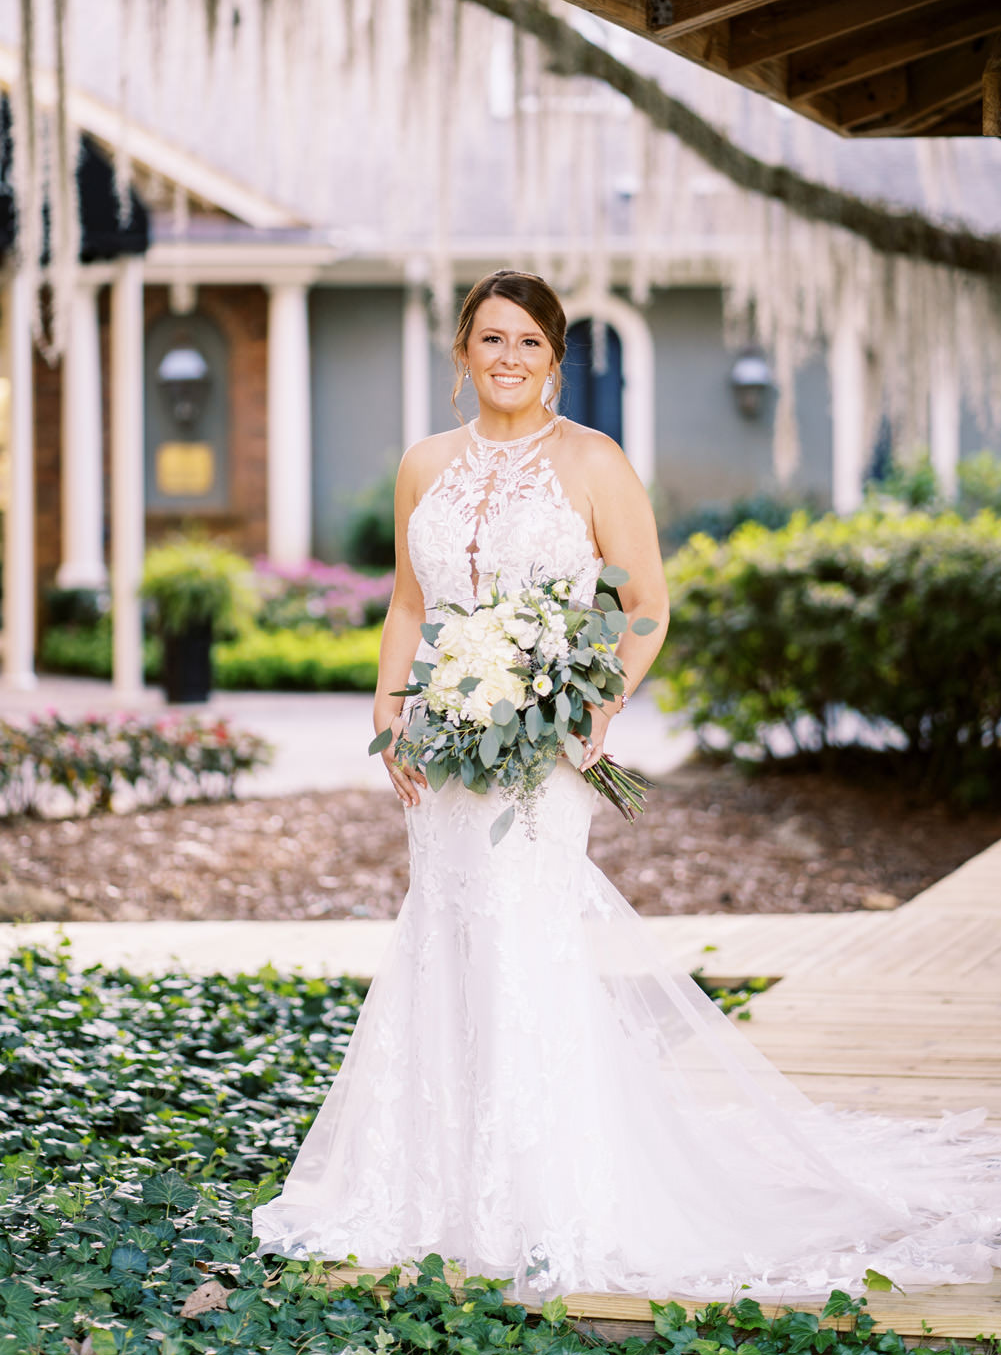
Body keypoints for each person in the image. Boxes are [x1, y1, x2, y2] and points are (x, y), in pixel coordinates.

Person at [253, 269, 1001, 1302]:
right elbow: (407, 604)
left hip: (544, 755)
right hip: (442, 752)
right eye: (490, 339)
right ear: (461, 354)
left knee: (526, 941)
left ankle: (546, 1197)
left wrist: (595, 704)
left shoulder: (591, 462)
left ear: (554, 362)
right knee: (450, 936)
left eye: (527, 343)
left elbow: (645, 603)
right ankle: (439, 1189)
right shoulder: (424, 464)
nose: (507, 358)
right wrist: (389, 712)